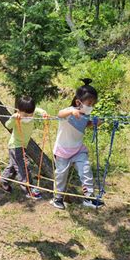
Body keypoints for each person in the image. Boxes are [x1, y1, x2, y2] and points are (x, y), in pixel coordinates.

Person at [50, 78, 104, 210]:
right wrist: (71, 111)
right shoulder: (69, 111)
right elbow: (59, 114)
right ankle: (57, 199)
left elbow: (85, 125)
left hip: (78, 149)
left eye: (93, 104)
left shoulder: (85, 115)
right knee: (61, 175)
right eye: (89, 103)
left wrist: (95, 123)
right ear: (78, 102)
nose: (91, 106)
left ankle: (88, 198)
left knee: (86, 171)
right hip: (62, 151)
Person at [0, 96, 47, 199]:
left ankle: (3, 181)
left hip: (22, 145)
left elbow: (37, 110)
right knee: (23, 166)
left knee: (14, 165)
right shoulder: (16, 117)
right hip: (15, 146)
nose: (28, 117)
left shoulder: (32, 113)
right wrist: (13, 118)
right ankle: (29, 189)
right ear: (19, 111)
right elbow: (8, 125)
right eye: (25, 115)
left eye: (30, 115)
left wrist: (43, 113)